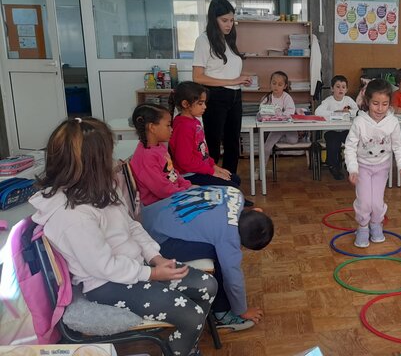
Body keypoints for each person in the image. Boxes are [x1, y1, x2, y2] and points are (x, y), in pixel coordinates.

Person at [29, 117, 217, 356]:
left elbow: (131, 226)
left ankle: (183, 346)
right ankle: (181, 347)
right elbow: (104, 267)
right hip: (107, 285)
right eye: (108, 155)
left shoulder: (101, 189)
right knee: (191, 316)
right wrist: (152, 273)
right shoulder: (72, 217)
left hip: (135, 268)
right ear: (94, 164)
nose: (114, 161)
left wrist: (155, 257)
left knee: (208, 285)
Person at [140, 186, 273, 330]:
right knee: (220, 256)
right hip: (154, 240)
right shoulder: (228, 238)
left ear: (257, 210)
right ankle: (221, 313)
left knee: (219, 248)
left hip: (147, 215)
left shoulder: (235, 193)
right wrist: (242, 310)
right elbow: (233, 279)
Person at [345, 79, 401, 248]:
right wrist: (352, 169)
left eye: (385, 104)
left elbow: (398, 146)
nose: (380, 109)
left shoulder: (392, 122)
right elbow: (350, 147)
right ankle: (362, 227)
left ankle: (375, 224)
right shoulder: (359, 122)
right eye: (375, 103)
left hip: (382, 167)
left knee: (377, 202)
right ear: (367, 101)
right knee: (365, 201)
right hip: (362, 167)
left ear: (389, 104)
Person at [168, 82, 253, 208]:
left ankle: (232, 200)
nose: (205, 107)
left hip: (199, 170)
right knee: (232, 187)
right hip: (190, 175)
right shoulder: (183, 127)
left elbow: (203, 152)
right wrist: (211, 171)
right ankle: (230, 208)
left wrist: (214, 166)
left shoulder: (194, 122)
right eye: (200, 103)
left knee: (234, 179)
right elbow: (185, 162)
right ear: (185, 104)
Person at [193, 0, 252, 175]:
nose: (229, 25)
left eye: (232, 20)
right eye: (224, 20)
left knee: (233, 144)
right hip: (216, 96)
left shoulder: (228, 40)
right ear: (214, 19)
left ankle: (229, 183)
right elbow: (198, 77)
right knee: (213, 144)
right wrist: (232, 81)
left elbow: (225, 71)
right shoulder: (203, 40)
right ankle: (212, 184)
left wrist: (240, 79)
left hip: (235, 96)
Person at [129, 103, 192, 206]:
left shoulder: (159, 146)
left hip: (174, 196)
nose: (171, 129)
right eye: (168, 125)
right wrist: (185, 192)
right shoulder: (146, 157)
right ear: (152, 127)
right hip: (159, 206)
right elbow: (163, 190)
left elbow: (172, 172)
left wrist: (187, 185)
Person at [315, 75, 359, 180]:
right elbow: (318, 112)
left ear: (346, 90)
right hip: (331, 131)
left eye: (343, 87)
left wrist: (349, 112)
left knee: (353, 142)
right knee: (333, 143)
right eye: (338, 87)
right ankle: (333, 166)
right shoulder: (328, 101)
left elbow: (358, 111)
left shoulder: (348, 100)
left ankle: (350, 164)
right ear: (332, 89)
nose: (341, 89)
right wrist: (335, 112)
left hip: (345, 130)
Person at [261, 71, 299, 161]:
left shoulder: (287, 97)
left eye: (280, 84)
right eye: (274, 83)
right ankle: (261, 167)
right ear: (270, 83)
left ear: (285, 86)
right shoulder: (267, 98)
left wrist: (280, 116)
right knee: (267, 147)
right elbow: (263, 111)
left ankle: (280, 139)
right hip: (276, 129)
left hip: (287, 127)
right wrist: (271, 116)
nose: (276, 86)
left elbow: (290, 111)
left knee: (293, 140)